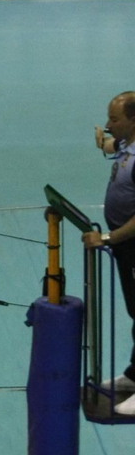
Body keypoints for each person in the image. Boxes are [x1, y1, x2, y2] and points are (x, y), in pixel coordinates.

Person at [83, 92, 135, 417]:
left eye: (114, 120)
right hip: (125, 247)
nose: (108, 124)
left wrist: (108, 236)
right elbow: (110, 147)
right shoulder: (126, 145)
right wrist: (102, 141)